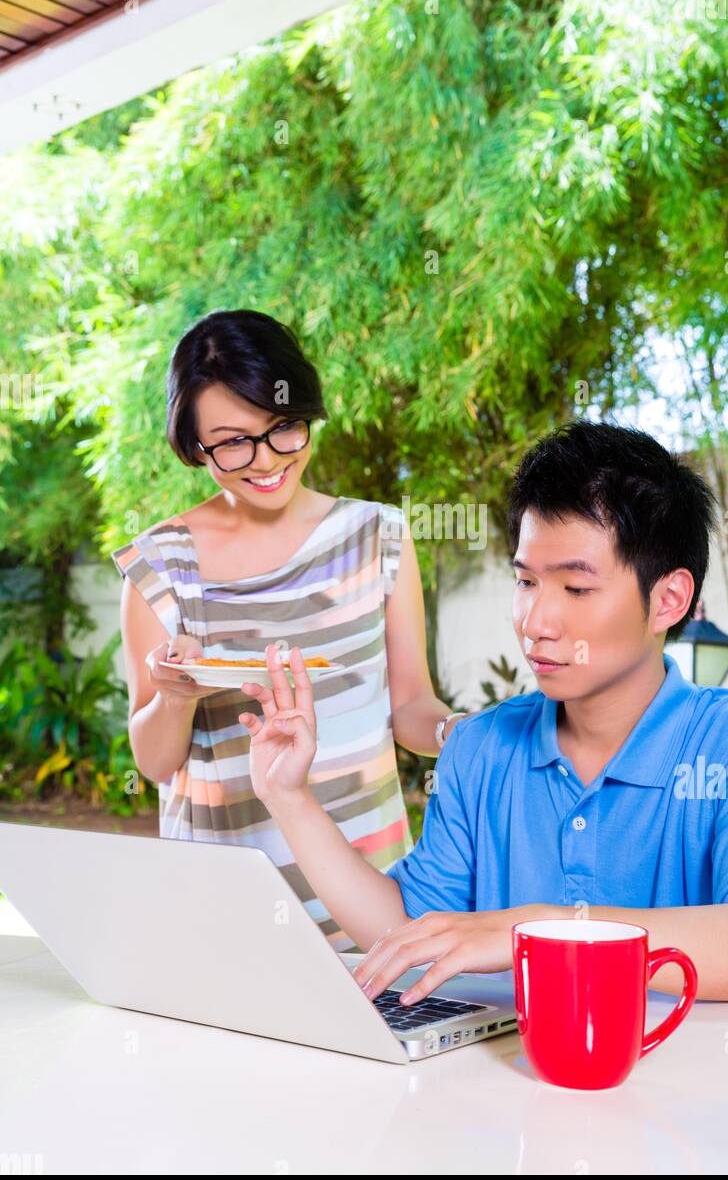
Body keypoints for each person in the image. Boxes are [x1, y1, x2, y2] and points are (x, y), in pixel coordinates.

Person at [236, 421, 728, 1004]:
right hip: (515, 1094)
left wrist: (540, 929)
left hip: (696, 1093)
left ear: (668, 600)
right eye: (525, 582)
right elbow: (405, 931)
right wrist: (290, 798)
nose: (535, 623)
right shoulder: (482, 746)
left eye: (576, 589)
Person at [110, 309, 466, 952]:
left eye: (283, 429)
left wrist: (456, 734)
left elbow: (410, 704)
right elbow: (155, 762)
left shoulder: (377, 537)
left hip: (372, 909)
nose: (266, 460)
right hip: (221, 919)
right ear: (193, 445)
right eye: (232, 441)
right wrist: (177, 696)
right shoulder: (161, 565)